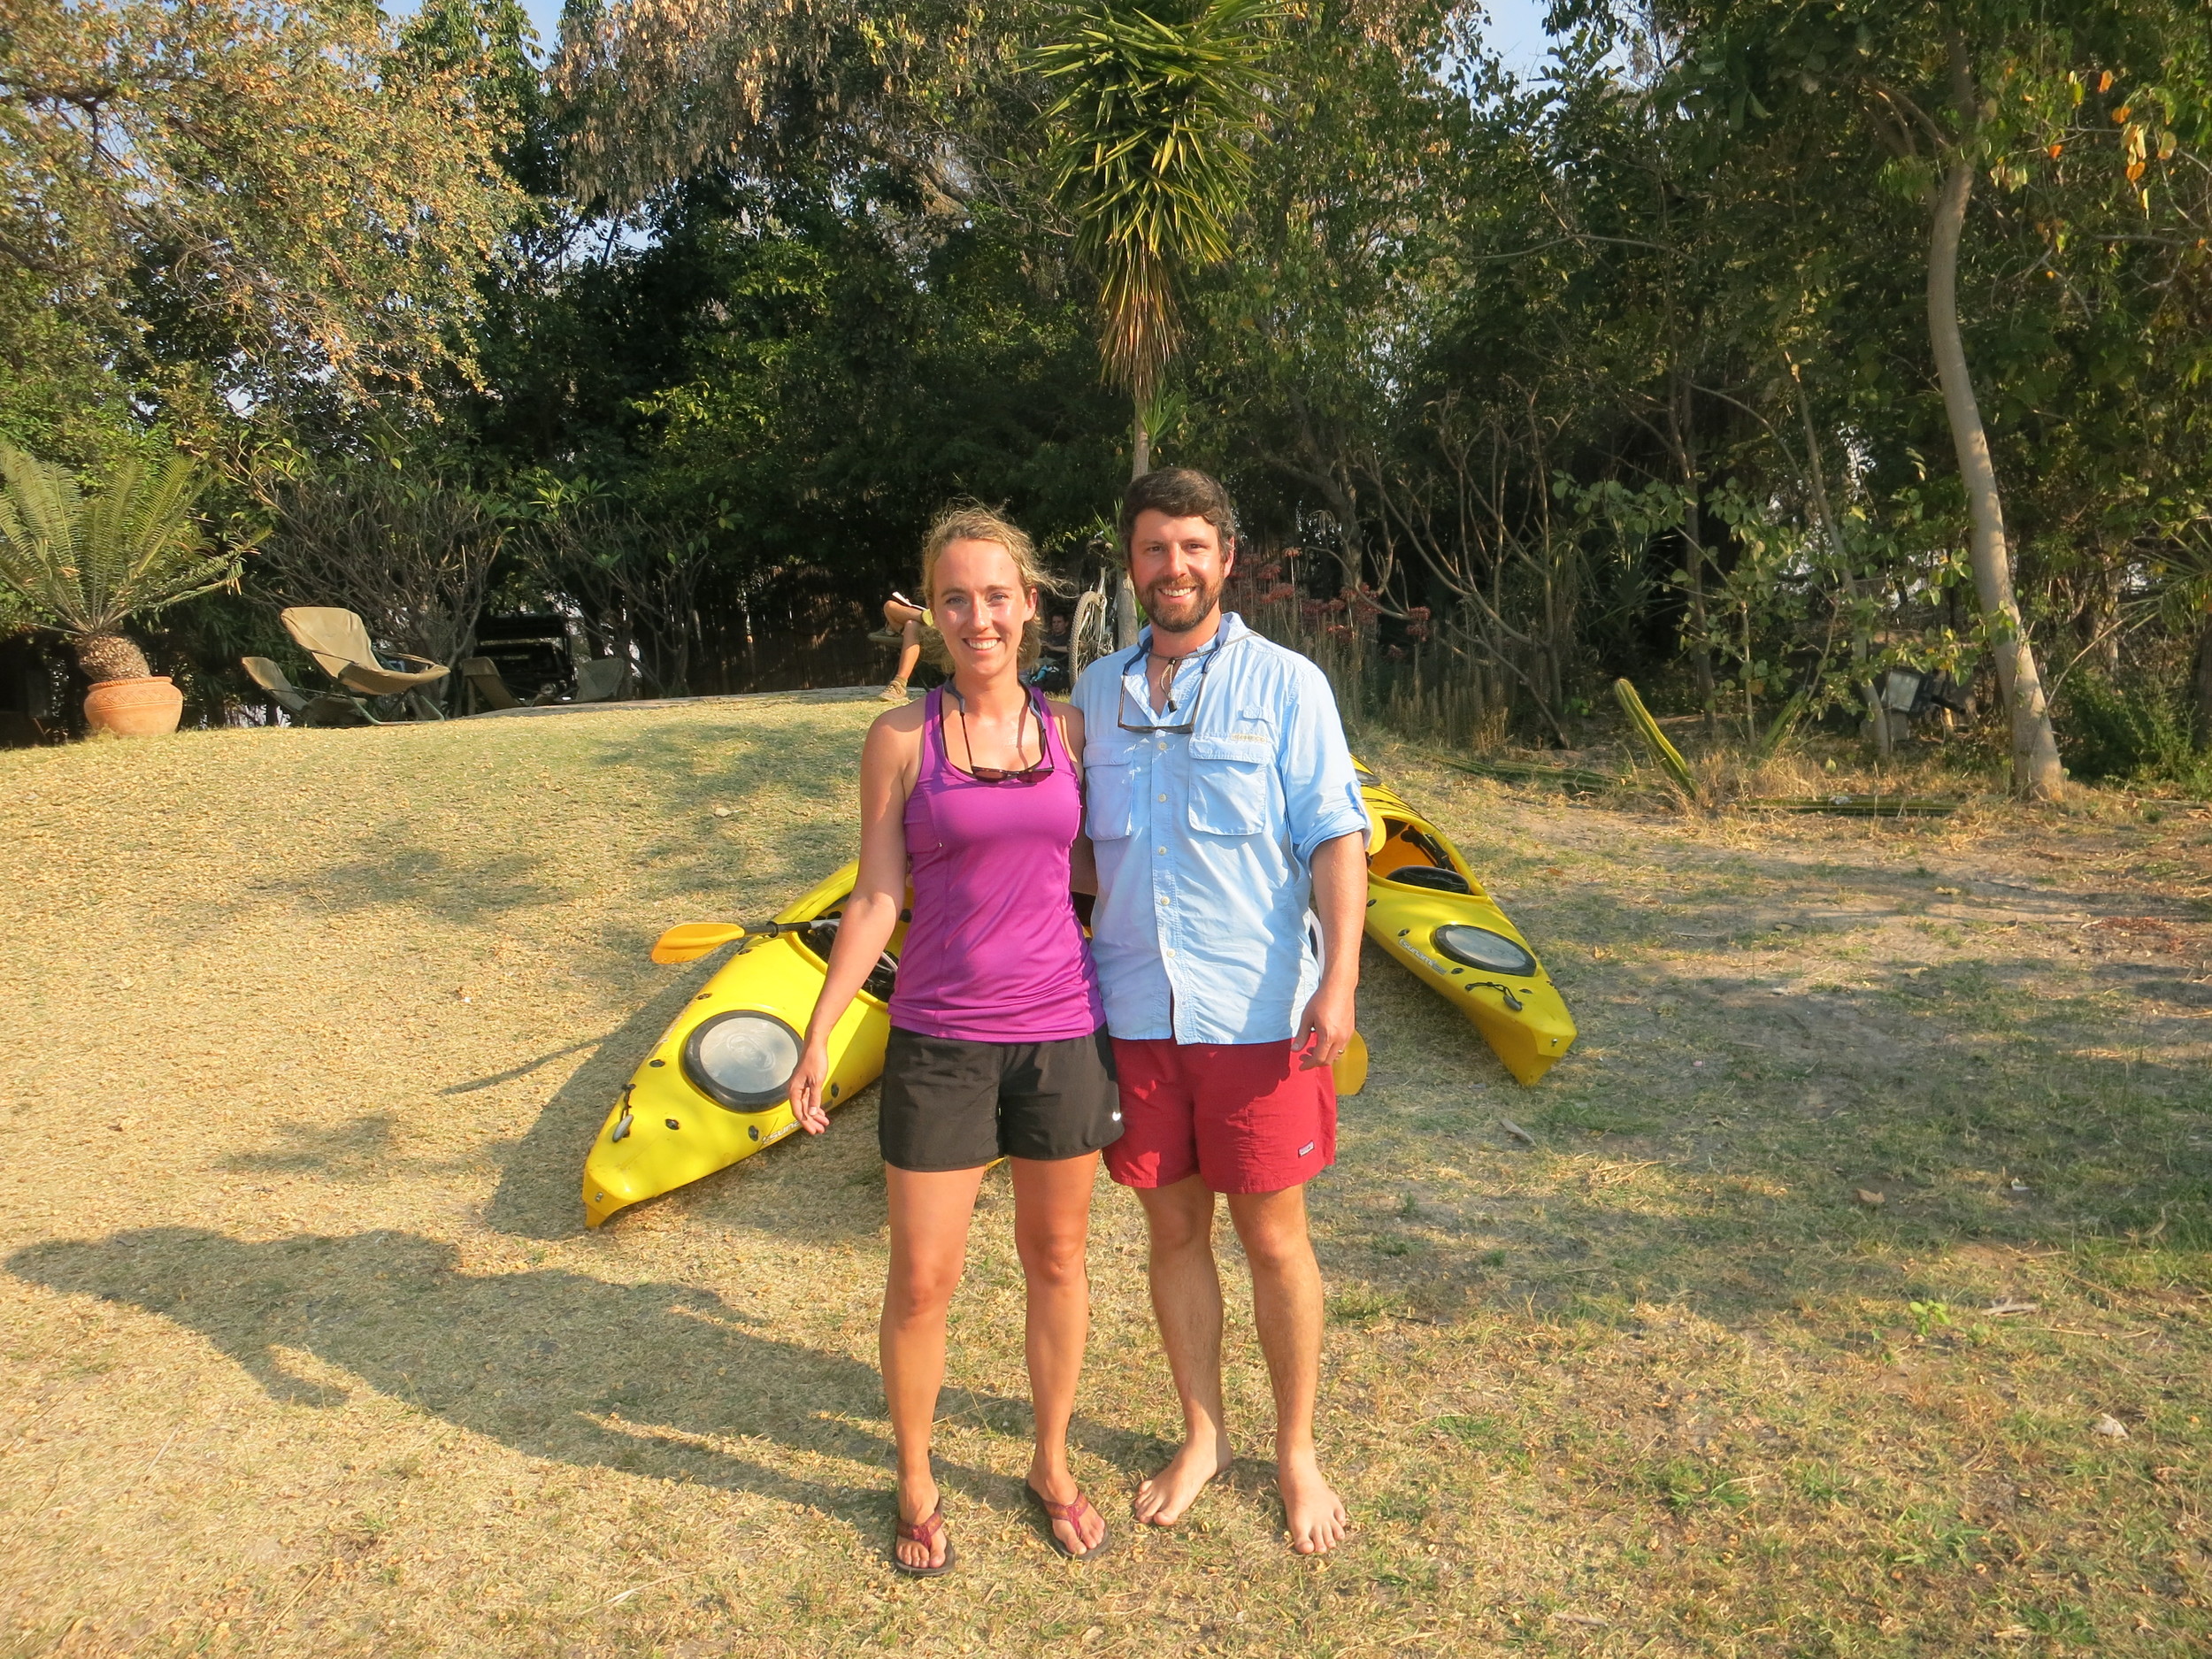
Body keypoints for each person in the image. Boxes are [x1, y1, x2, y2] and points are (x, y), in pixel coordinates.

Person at [791, 505, 1121, 1575]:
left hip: (1060, 1033)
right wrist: (820, 1030)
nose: (978, 617)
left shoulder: (1071, 730)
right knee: (923, 1279)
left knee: (1057, 1259)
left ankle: (1051, 1463)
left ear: (1030, 606)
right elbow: (878, 893)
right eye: (954, 599)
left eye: (995, 596)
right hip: (937, 1038)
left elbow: (1097, 875)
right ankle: (917, 1474)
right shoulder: (899, 738)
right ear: (931, 615)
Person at [1070, 466, 1369, 1556]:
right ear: (1131, 563)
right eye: (1153, 549)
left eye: (1192, 547)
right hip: (1139, 1012)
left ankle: (1295, 1450)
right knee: (1172, 1229)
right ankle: (1206, 1434)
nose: (1173, 568)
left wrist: (1337, 979)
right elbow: (1078, 853)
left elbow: (1336, 836)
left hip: (1258, 1016)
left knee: (1274, 1239)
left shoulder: (1289, 685)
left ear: (1226, 558)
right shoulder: (1095, 693)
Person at [870, 593, 928, 702]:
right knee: (911, 624)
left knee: (889, 606)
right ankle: (924, 617)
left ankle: (899, 684)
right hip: (925, 627)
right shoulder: (910, 626)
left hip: (939, 626)